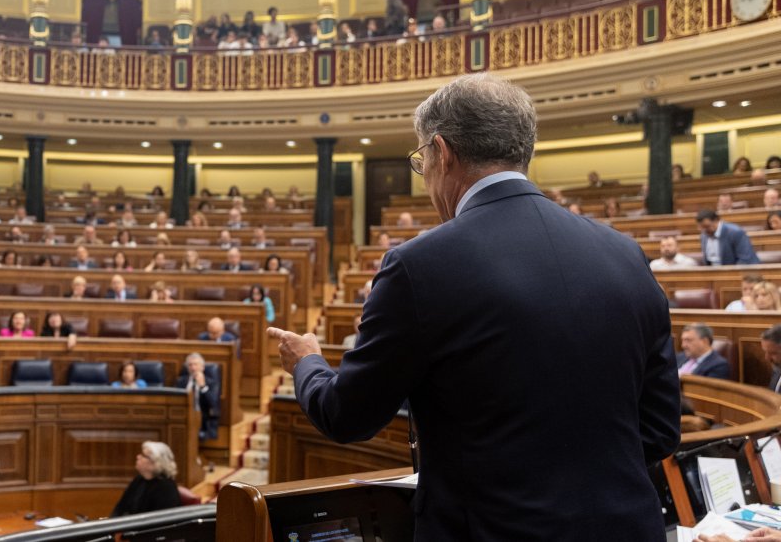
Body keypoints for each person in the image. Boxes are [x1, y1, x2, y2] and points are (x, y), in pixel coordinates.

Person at [267, 73, 679, 541]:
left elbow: (347, 415)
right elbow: (661, 429)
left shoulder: (418, 266)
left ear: (442, 152)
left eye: (421, 162)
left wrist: (307, 363)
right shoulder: (626, 254)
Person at [110, 441, 182, 517]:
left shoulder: (166, 488)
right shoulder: (139, 480)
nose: (138, 457)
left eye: (143, 455)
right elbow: (120, 507)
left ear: (156, 462)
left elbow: (160, 521)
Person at [175, 353, 220, 440]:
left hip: (203, 420)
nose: (193, 368)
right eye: (190, 365)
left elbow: (213, 404)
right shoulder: (180, 381)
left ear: (202, 367)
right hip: (183, 417)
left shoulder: (211, 383)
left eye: (196, 364)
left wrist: (203, 386)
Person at [696, 209, 761, 265]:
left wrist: (729, 276)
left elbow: (745, 259)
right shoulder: (704, 235)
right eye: (701, 228)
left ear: (716, 221)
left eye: (706, 226)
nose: (704, 230)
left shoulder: (735, 232)